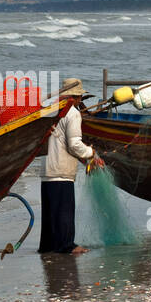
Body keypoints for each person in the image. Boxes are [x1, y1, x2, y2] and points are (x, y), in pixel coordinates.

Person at [38, 77, 104, 255]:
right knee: (64, 210)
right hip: (61, 169)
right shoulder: (72, 113)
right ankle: (67, 246)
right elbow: (74, 144)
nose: (80, 101)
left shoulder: (49, 110)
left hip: (47, 169)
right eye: (79, 98)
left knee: (50, 213)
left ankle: (48, 246)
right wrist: (91, 153)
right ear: (74, 98)